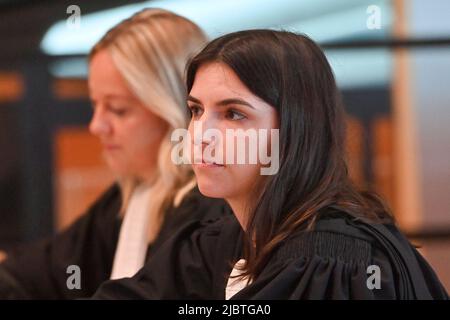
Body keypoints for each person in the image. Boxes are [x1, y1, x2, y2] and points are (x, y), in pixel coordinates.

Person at [91, 30, 448, 299]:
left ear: (294, 131)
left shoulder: (330, 264)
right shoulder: (223, 243)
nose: (200, 135)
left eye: (233, 114)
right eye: (197, 110)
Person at [0, 9, 230, 299]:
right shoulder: (128, 199)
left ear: (176, 110)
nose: (96, 126)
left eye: (118, 109)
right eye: (95, 104)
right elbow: (35, 272)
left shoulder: (209, 213)